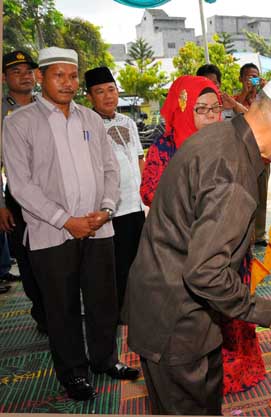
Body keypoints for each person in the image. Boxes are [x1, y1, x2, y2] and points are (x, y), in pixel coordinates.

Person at [125, 74, 271, 415]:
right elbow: (206, 273)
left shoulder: (219, 135)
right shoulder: (233, 173)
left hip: (170, 303)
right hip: (178, 320)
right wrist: (269, 312)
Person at [2, 47, 140, 401]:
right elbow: (21, 185)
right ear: (41, 78)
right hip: (52, 233)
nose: (67, 82)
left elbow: (110, 169)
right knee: (61, 308)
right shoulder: (18, 122)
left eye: (72, 75)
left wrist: (107, 208)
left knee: (103, 301)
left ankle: (105, 359)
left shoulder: (91, 120)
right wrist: (66, 220)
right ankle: (73, 373)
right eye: (58, 75)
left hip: (98, 227)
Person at [85, 66, 145, 315]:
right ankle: (121, 310)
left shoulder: (128, 122)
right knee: (117, 264)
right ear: (89, 96)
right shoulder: (87, 125)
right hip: (112, 209)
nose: (108, 96)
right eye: (100, 92)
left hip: (137, 205)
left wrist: (146, 195)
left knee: (139, 261)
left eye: (111, 89)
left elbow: (140, 159)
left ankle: (139, 306)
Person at [140, 75, 222, 206]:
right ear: (185, 110)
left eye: (216, 107)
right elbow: (148, 193)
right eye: (202, 108)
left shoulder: (224, 142)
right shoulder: (164, 148)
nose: (211, 115)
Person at [0, 51, 41, 300]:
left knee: (58, 254)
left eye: (28, 71)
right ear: (4, 78)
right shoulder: (2, 111)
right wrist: (1, 205)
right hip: (17, 193)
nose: (25, 76)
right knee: (26, 256)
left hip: (51, 189)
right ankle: (42, 313)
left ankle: (60, 310)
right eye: (17, 72)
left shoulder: (46, 105)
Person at [234, 63, 270, 246]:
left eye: (255, 76)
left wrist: (265, 91)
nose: (252, 80)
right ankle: (242, 235)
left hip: (262, 155)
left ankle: (260, 234)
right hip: (241, 156)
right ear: (241, 79)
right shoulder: (235, 98)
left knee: (261, 196)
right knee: (241, 196)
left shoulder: (263, 98)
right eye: (248, 77)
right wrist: (245, 94)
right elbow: (235, 112)